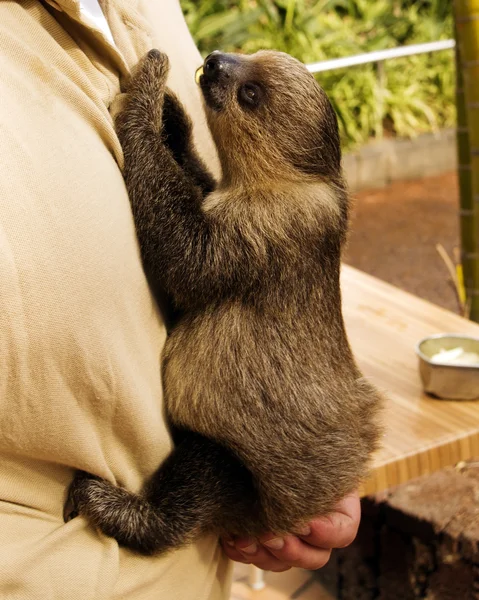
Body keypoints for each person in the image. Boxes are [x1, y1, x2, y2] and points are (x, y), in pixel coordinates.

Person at [0, 1, 361, 598]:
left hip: (248, 456)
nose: (223, 64)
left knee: (208, 470)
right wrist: (162, 142)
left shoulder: (294, 211)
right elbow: (199, 241)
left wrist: (146, 135)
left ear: (285, 154)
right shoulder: (289, 200)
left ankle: (155, 519)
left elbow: (190, 258)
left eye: (248, 93)